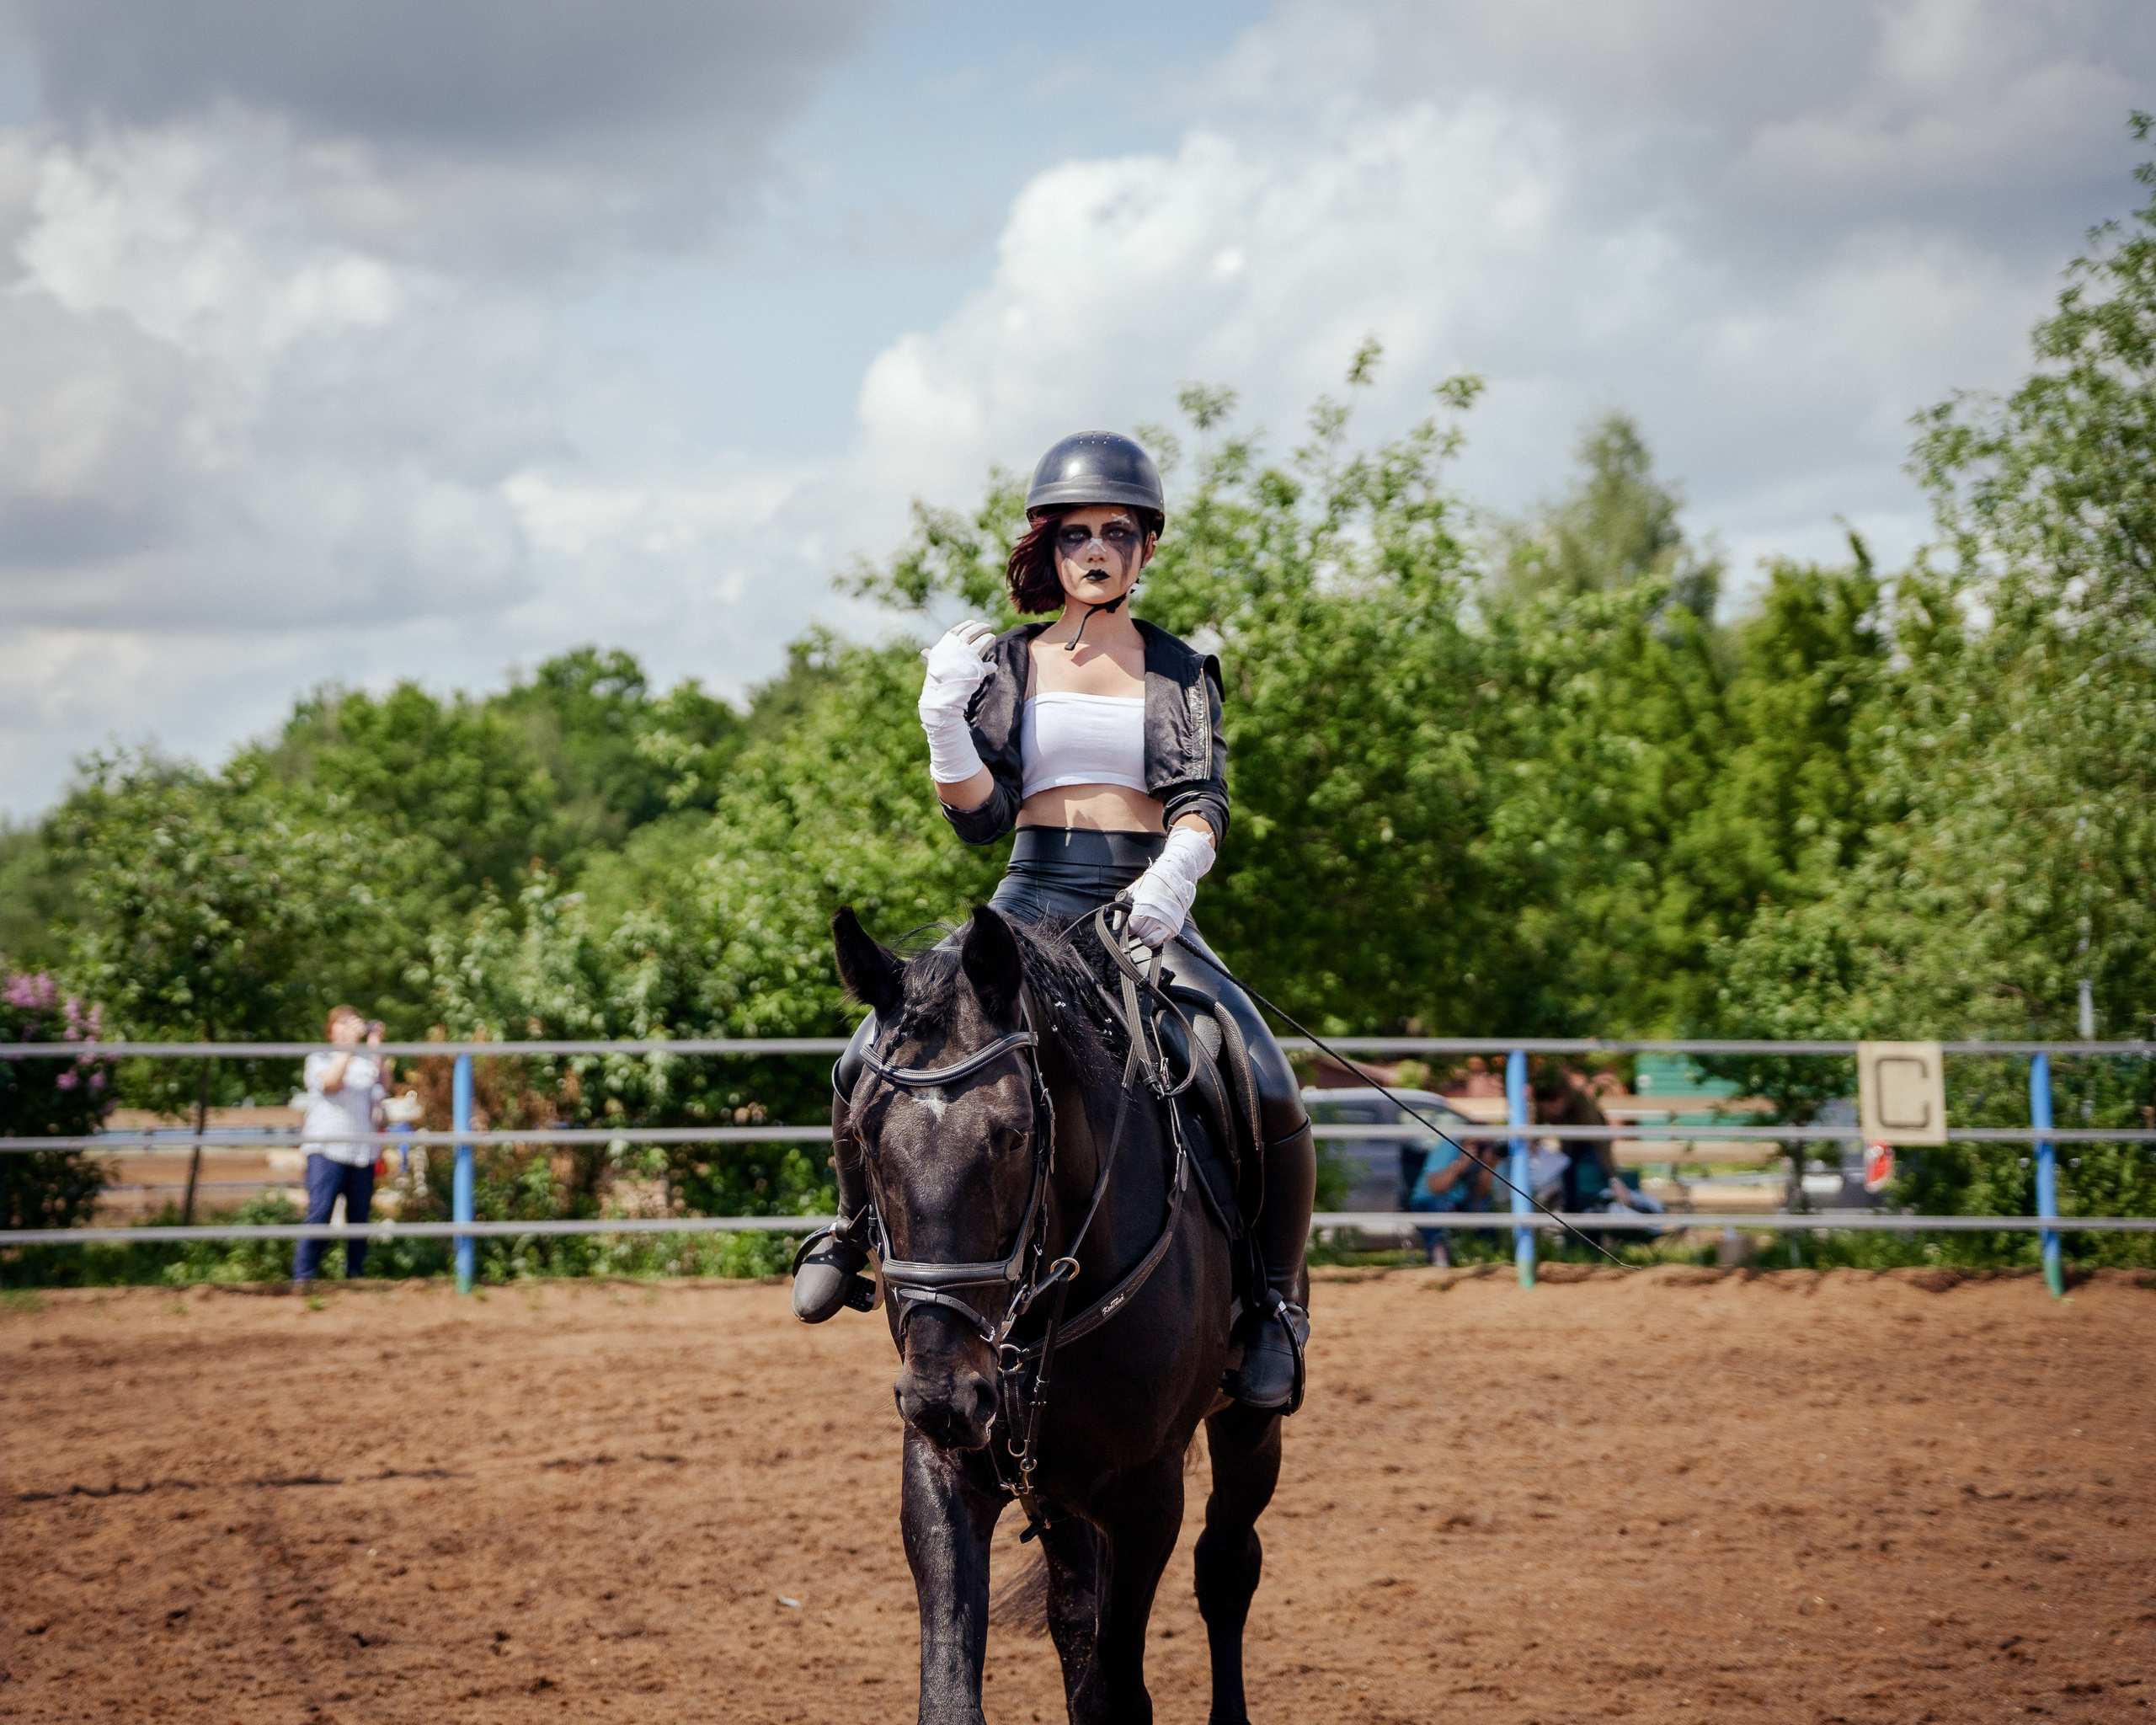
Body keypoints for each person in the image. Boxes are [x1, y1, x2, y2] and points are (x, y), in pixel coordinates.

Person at [793, 430, 1317, 1411]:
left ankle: (1274, 1306)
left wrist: (1174, 876)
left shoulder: (1178, 667)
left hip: (1143, 899)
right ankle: (849, 1228)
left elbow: (1202, 795)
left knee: (1260, 1070)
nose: (1095, 547)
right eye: (1076, 530)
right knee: (877, 1042)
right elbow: (980, 819)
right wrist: (945, 726)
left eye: (1117, 531)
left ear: (1145, 549)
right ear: (1052, 542)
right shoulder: (1005, 661)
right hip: (1026, 898)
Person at [294, 1006, 387, 1287]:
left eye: (353, 1023)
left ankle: (355, 1277)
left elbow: (384, 1085)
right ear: (331, 1030)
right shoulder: (319, 1058)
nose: (349, 1028)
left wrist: (375, 1048)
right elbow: (332, 1083)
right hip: (326, 1148)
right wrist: (349, 1047)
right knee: (320, 1213)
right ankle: (304, 1278)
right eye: (342, 1024)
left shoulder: (364, 1061)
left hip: (362, 1151)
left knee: (360, 1218)